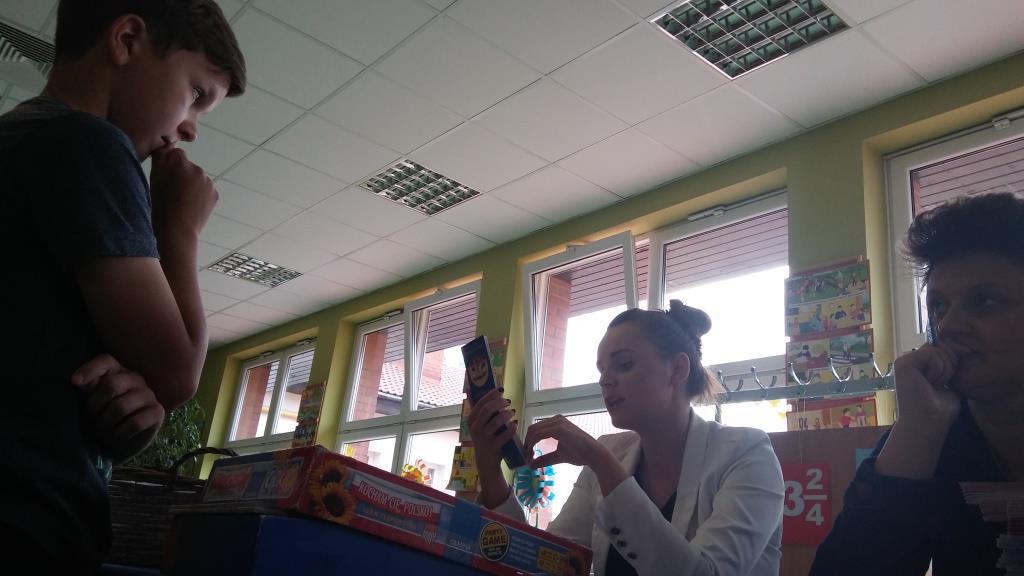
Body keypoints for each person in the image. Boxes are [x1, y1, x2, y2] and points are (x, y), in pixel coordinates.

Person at [0, 0, 245, 570]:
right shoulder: (89, 144)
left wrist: (133, 409)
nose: (190, 128)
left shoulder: (21, 138)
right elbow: (176, 374)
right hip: (29, 517)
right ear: (128, 39)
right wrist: (178, 228)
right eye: (196, 93)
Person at [469, 301, 784, 575]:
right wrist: (489, 467)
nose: (605, 381)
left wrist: (599, 460)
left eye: (623, 364)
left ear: (677, 370)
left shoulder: (747, 454)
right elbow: (547, 561)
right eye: (601, 370)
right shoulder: (611, 451)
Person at [811, 192, 1024, 575]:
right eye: (939, 305)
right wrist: (918, 429)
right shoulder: (931, 432)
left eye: (985, 301)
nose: (948, 325)